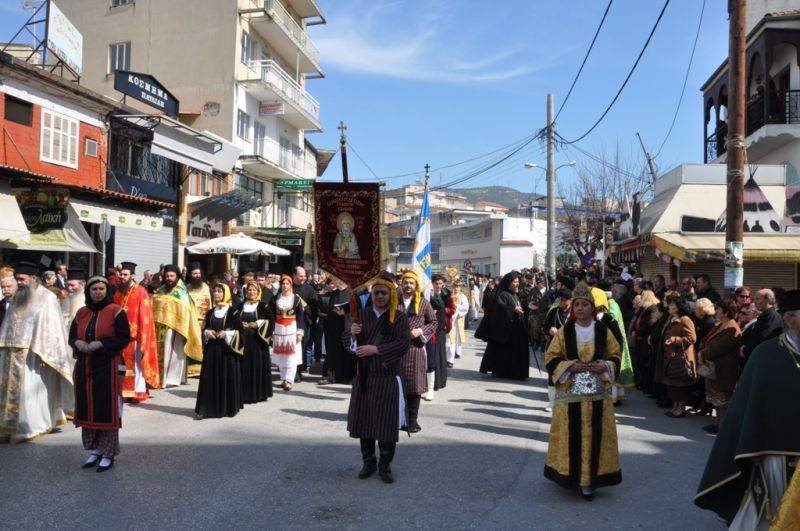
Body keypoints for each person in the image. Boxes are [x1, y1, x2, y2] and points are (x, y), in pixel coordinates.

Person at [694, 289, 800, 528]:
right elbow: (746, 409)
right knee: (776, 513)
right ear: (790, 319)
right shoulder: (766, 355)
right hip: (775, 454)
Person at [543, 281, 622, 501]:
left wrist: (605, 365)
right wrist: (569, 366)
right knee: (573, 435)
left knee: (593, 436)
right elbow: (551, 356)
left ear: (592, 308)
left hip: (597, 394)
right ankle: (570, 476)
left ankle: (589, 482)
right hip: (570, 394)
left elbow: (615, 354)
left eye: (584, 304)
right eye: (576, 304)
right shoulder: (565, 331)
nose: (579, 308)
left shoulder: (602, 330)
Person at [344, 273, 410, 484]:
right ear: (371, 295)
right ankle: (368, 462)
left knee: (386, 424)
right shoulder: (360, 315)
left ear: (391, 295)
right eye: (376, 293)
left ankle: (385, 465)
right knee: (365, 422)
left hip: (387, 377)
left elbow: (403, 344)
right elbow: (345, 341)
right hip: (365, 377)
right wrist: (352, 334)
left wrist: (376, 349)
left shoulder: (398, 318)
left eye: (383, 293)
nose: (379, 296)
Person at [0, 262, 74, 443]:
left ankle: (30, 426)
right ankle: (8, 427)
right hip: (12, 351)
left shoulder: (47, 297)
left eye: (22, 279)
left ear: (33, 279)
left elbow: (52, 329)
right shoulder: (18, 296)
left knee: (30, 394)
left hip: (35, 353)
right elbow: (10, 322)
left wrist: (46, 353)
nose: (20, 282)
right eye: (18, 279)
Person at [69, 276, 131, 472]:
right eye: (94, 289)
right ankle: (95, 449)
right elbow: (72, 336)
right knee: (88, 408)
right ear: (88, 292)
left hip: (108, 366)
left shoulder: (116, 311)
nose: (97, 292)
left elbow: (124, 338)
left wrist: (101, 344)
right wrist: (77, 343)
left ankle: (108, 452)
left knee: (106, 409)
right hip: (85, 366)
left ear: (107, 291)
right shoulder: (81, 312)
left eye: (101, 289)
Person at [195, 284, 243, 419]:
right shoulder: (210, 312)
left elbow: (241, 333)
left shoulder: (234, 312)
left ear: (226, 294)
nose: (216, 294)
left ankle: (226, 408)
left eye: (219, 292)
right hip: (212, 351)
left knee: (226, 378)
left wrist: (227, 334)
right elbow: (205, 328)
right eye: (214, 292)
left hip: (227, 352)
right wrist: (207, 332)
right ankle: (205, 409)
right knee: (209, 379)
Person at [114, 262, 160, 401]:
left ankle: (138, 392)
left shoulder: (141, 292)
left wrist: (141, 335)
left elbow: (145, 316)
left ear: (132, 275)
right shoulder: (118, 292)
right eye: (121, 274)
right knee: (121, 365)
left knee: (135, 366)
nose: (122, 277)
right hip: (119, 336)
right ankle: (122, 391)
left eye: (125, 274)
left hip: (135, 337)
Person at [398, 270, 437, 433]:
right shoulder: (393, 301)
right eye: (406, 282)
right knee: (397, 385)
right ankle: (398, 419)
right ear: (401, 284)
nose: (408, 285)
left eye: (411, 283)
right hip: (396, 350)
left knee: (415, 386)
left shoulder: (424, 303)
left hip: (415, 349)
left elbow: (434, 322)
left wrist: (420, 331)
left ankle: (412, 420)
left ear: (416, 285)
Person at [152, 264, 203, 388]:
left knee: (173, 354)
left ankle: (171, 379)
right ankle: (159, 377)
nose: (169, 278)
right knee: (161, 353)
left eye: (171, 276)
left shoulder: (181, 292)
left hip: (176, 328)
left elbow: (186, 311)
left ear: (177, 276)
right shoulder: (161, 289)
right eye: (167, 276)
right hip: (159, 327)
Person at [696, 300, 741, 434]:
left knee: (722, 400)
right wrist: (702, 349)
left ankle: (723, 426)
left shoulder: (732, 328)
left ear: (726, 313)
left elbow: (720, 348)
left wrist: (703, 353)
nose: (716, 312)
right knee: (716, 399)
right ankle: (717, 423)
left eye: (719, 310)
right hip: (714, 367)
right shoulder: (720, 325)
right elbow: (707, 339)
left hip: (724, 369)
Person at [477, 271, 529, 381]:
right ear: (509, 282)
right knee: (504, 353)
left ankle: (516, 372)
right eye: (514, 282)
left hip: (516, 329)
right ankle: (503, 371)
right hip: (505, 331)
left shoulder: (514, 294)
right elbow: (498, 311)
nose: (517, 284)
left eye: (518, 282)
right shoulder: (502, 294)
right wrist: (512, 309)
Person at [660, 296, 697, 418]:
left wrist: (675, 340)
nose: (669, 307)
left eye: (672, 305)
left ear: (678, 307)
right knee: (673, 384)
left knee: (681, 384)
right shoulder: (672, 318)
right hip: (671, 357)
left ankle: (681, 409)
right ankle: (675, 407)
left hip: (681, 358)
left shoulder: (685, 319)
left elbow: (692, 338)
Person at [236, 281, 272, 403]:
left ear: (258, 292)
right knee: (243, 366)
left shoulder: (263, 306)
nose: (251, 292)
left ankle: (257, 394)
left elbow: (270, 321)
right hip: (243, 341)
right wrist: (240, 324)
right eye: (249, 290)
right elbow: (233, 319)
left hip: (258, 342)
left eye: (254, 290)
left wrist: (258, 323)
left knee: (256, 367)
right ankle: (243, 394)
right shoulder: (240, 306)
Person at [269, 274, 305, 390]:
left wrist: (300, 332)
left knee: (291, 355)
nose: (285, 286)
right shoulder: (275, 298)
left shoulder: (296, 299)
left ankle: (290, 380)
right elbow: (272, 315)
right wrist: (272, 331)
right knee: (281, 355)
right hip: (279, 328)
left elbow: (300, 316)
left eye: (287, 283)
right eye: (283, 283)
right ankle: (283, 379)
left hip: (291, 328)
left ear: (291, 285)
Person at [317, 278, 353, 385]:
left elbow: (355, 309)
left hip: (346, 326)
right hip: (334, 326)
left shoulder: (351, 292)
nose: (334, 282)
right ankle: (330, 376)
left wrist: (345, 313)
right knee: (332, 351)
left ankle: (347, 377)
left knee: (347, 352)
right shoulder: (334, 294)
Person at [740, 288, 783, 368]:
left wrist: (745, 350)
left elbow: (761, 339)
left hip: (764, 363)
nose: (755, 301)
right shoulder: (766, 315)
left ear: (768, 300)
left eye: (758, 299)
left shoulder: (770, 317)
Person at [426, 274, 450, 400]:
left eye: (440, 283)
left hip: (441, 328)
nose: (438, 285)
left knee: (439, 354)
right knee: (429, 355)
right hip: (428, 328)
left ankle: (438, 382)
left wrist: (445, 311)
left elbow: (451, 308)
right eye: (436, 283)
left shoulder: (447, 294)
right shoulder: (426, 294)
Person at [292, 266, 318, 379]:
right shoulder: (288, 287)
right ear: (294, 276)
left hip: (302, 323)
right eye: (300, 276)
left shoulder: (309, 290)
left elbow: (314, 307)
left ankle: (298, 371)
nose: (303, 278)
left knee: (300, 347)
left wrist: (305, 307)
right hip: (287, 323)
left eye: (304, 276)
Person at [446, 281, 468, 366]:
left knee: (458, 336)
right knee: (451, 338)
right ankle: (449, 358)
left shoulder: (463, 297)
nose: (456, 288)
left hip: (458, 318)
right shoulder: (449, 296)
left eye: (458, 286)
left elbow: (465, 307)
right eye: (455, 286)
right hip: (450, 320)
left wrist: (456, 307)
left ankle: (457, 351)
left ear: (460, 287)